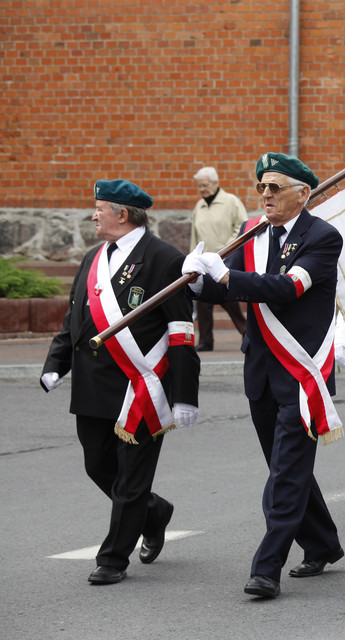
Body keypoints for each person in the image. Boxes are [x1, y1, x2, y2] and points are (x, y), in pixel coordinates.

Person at [184, 152, 344, 599]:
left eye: (275, 187)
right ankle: (324, 543)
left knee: (285, 476)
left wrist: (228, 275)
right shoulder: (254, 233)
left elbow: (289, 288)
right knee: (285, 467)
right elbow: (228, 285)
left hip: (301, 373)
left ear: (303, 193)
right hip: (260, 369)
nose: (266, 195)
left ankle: (266, 567)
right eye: (262, 187)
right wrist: (199, 281)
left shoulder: (323, 237)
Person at [41, 179, 200, 585]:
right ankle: (153, 512)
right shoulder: (95, 257)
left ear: (122, 215)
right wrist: (56, 363)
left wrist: (185, 394)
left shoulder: (164, 259)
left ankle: (113, 558)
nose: (93, 215)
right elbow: (75, 316)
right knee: (97, 466)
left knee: (132, 477)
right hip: (93, 385)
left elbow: (181, 330)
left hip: (141, 387)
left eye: (99, 209)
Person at [189, 166, 248, 351]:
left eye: (205, 185)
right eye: (199, 186)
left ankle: (246, 332)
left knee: (229, 300)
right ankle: (206, 340)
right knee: (203, 303)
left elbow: (242, 226)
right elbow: (195, 234)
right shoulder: (200, 206)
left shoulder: (231, 202)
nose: (202, 189)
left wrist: (227, 249)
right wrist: (193, 258)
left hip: (225, 259)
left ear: (215, 183)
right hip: (203, 262)